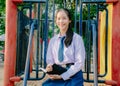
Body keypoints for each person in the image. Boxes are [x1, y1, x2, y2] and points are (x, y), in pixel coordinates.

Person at [42, 8, 85, 86]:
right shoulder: (53, 40)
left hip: (73, 74)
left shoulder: (77, 39)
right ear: (56, 21)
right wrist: (49, 67)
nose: (61, 21)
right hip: (57, 73)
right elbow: (50, 60)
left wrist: (63, 76)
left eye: (64, 18)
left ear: (69, 20)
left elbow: (79, 63)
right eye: (58, 19)